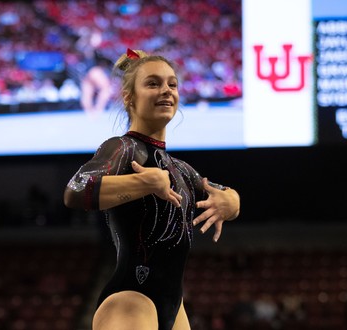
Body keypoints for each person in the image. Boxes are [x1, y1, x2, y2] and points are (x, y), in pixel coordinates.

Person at [63, 49, 240, 330]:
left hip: (174, 307)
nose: (166, 90)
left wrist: (231, 202)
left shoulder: (180, 169)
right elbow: (75, 190)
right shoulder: (123, 148)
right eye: (153, 83)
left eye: (172, 83)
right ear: (129, 98)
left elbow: (221, 192)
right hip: (130, 301)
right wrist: (143, 182)